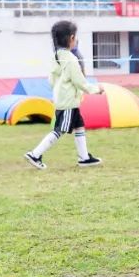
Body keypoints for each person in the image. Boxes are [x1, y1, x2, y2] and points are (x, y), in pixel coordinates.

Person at [24, 20, 104, 169]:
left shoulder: (56, 56)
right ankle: (35, 154)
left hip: (66, 101)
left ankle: (84, 158)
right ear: (72, 38)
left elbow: (51, 79)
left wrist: (59, 90)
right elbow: (80, 82)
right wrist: (96, 89)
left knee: (79, 126)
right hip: (68, 102)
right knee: (59, 130)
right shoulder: (71, 60)